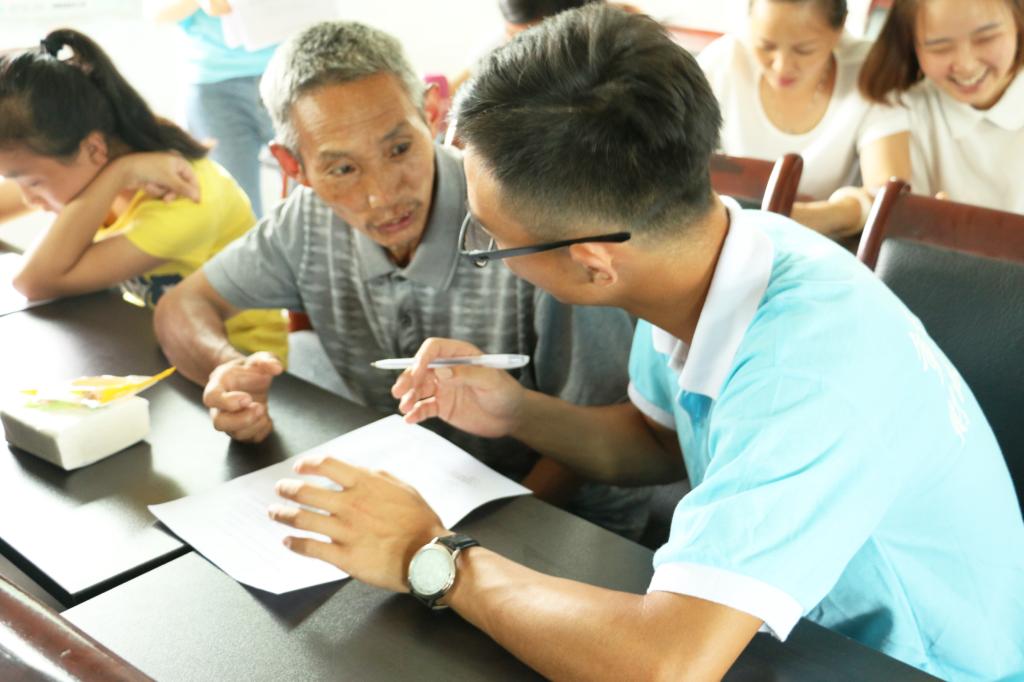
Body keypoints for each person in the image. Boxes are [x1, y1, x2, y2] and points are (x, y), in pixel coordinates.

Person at [267, 7, 1024, 680]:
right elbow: (659, 441)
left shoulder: (805, 371)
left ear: (592, 264)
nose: (481, 245)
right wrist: (516, 411)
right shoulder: (715, 247)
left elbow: (664, 664)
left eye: (492, 239)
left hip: (909, 663)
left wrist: (429, 557)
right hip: (789, 626)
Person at [153, 21, 649, 539]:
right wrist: (227, 371)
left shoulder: (524, 219)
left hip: (565, 521)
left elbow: (607, 429)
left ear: (431, 114)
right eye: (343, 170)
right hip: (414, 501)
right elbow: (182, 307)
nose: (383, 196)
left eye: (398, 149)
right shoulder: (306, 219)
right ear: (293, 166)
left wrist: (452, 548)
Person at [0, 29, 286, 362]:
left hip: (237, 361)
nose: (29, 198)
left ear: (94, 148)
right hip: (148, 339)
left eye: (33, 183)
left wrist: (118, 175)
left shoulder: (183, 199)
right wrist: (119, 173)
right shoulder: (96, 161)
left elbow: (33, 282)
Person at [698, 0, 910, 237]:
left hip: (827, 242)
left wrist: (802, 218)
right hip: (723, 235)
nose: (782, 66)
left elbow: (889, 198)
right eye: (766, 46)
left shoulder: (870, 72)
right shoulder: (722, 63)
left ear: (840, 30)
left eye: (803, 50)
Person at [860, 0, 1024, 214]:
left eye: (986, 38)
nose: (966, 66)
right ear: (911, 44)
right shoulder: (900, 107)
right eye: (940, 48)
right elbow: (884, 207)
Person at [146, 0, 277, 216]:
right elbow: (156, 11)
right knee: (236, 206)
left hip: (294, 69)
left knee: (314, 193)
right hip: (214, 85)